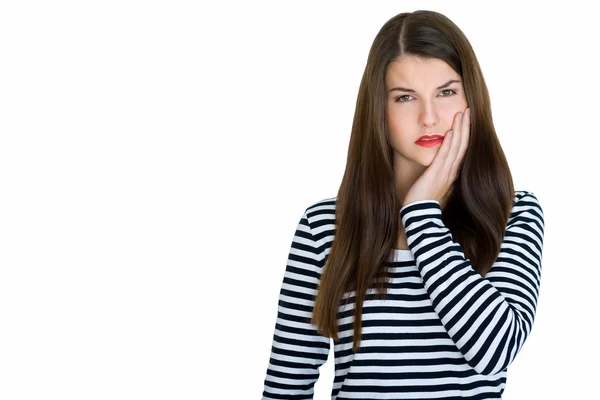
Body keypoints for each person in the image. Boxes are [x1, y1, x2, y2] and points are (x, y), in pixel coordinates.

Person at [261, 9, 544, 400]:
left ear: (472, 99)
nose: (429, 118)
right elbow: (286, 385)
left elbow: (495, 349)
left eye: (446, 92)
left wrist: (420, 213)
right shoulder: (325, 225)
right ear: (379, 108)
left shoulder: (513, 213)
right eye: (405, 97)